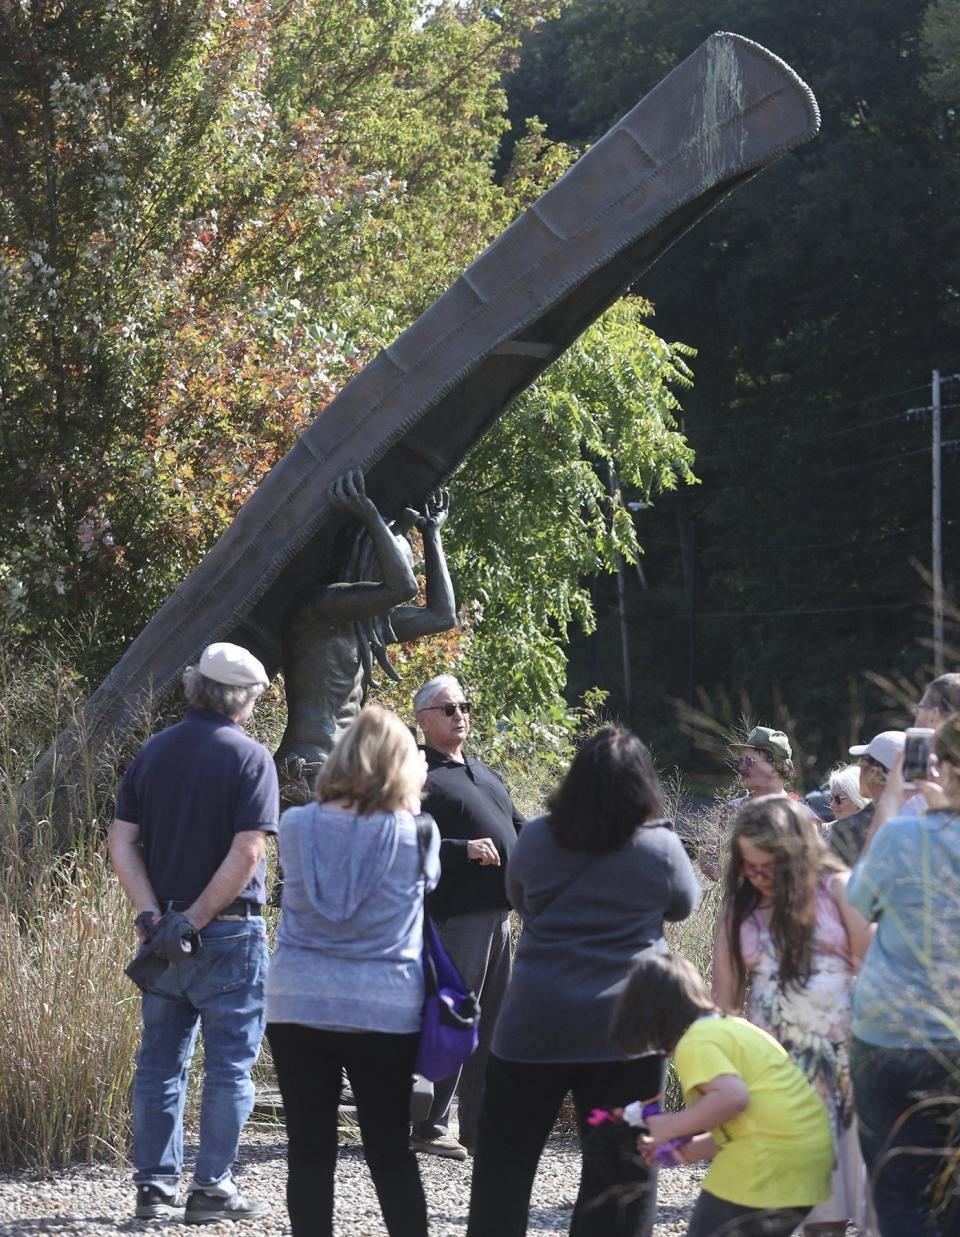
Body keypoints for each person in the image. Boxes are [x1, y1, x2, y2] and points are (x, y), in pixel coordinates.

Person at [465, 727, 700, 1237]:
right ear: (644, 786)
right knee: (621, 1167)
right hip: (627, 1031)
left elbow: (520, 900)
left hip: (534, 1022)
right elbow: (684, 905)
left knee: (505, 1161)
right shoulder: (659, 846)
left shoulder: (536, 837)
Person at [107, 642, 279, 1224]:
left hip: (160, 933)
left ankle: (154, 1190)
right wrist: (197, 919)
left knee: (159, 1060)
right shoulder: (251, 758)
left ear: (194, 687)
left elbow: (121, 840)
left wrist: (154, 916)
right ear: (246, 698)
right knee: (230, 1065)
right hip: (228, 932)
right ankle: (211, 1189)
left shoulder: (153, 752)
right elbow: (249, 849)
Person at [265, 705, 440, 1237]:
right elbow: (426, 886)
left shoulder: (294, 826)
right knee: (389, 1149)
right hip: (383, 1006)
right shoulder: (419, 834)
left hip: (298, 1000)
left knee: (309, 1149)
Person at [711, 795, 873, 1236]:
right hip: (774, 1074)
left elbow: (871, 958)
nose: (758, 876)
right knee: (775, 1208)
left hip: (840, 1069)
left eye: (769, 867)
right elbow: (723, 1003)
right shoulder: (739, 910)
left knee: (829, 1211)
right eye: (748, 866)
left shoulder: (837, 888)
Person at [611, 952, 834, 1237]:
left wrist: (669, 1126)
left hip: (765, 1161)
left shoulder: (695, 1042)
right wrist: (691, 1150)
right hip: (806, 1156)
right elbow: (758, 1118)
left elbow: (733, 1098)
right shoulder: (730, 1028)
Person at [275, 469, 456, 800]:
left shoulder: (369, 623)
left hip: (348, 769)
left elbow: (443, 616)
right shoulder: (316, 607)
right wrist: (370, 515)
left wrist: (431, 535)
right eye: (396, 561)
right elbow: (402, 587)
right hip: (307, 767)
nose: (406, 571)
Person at [847, 715, 960, 1236]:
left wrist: (894, 799)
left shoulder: (903, 835)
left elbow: (857, 906)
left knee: (899, 1196)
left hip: (889, 1034)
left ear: (944, 767)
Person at [410, 673, 524, 1160]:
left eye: (465, 706)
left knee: (493, 1023)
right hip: (456, 917)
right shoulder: (417, 772)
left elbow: (518, 827)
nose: (461, 715)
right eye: (448, 708)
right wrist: (461, 850)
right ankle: (428, 1124)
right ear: (423, 720)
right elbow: (404, 834)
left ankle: (479, 1127)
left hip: (500, 914)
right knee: (455, 1015)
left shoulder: (483, 771)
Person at [699, 724, 813, 878]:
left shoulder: (801, 815)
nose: (742, 767)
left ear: (774, 766)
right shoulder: (731, 809)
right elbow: (708, 858)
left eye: (749, 760)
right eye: (741, 760)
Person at [832, 729, 905, 863]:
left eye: (862, 762)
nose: (859, 766)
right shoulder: (929, 818)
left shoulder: (848, 830)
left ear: (874, 772)